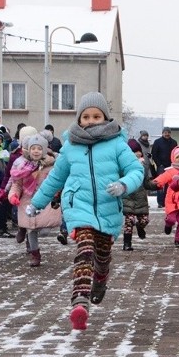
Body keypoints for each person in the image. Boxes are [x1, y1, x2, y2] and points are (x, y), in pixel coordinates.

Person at [29, 92, 145, 331]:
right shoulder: (71, 146)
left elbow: (136, 170)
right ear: (79, 119)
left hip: (108, 208)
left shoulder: (116, 143)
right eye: (86, 116)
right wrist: (37, 202)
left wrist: (123, 185)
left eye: (96, 116)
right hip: (78, 207)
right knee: (85, 250)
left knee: (102, 257)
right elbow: (55, 179)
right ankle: (79, 303)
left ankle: (100, 280)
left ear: (105, 117)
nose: (91, 120)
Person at [8, 134, 61, 266]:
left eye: (39, 148)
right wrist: (13, 195)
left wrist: (57, 193)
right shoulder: (22, 165)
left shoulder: (51, 166)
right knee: (32, 229)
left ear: (44, 150)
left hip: (45, 200)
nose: (36, 151)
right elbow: (17, 184)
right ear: (28, 150)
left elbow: (56, 182)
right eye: (33, 148)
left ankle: (24, 229)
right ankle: (35, 254)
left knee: (44, 231)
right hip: (27, 200)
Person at [121, 139, 156, 251]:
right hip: (128, 198)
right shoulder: (122, 167)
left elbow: (146, 183)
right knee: (129, 221)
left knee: (144, 220)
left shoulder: (144, 166)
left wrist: (156, 185)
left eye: (138, 151)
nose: (136, 153)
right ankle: (127, 243)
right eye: (133, 151)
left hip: (141, 199)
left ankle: (140, 227)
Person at [151, 146, 179, 242]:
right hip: (172, 200)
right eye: (177, 157)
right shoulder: (171, 171)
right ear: (173, 159)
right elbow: (163, 177)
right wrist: (155, 183)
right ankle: (168, 224)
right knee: (171, 219)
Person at [151, 127, 177, 208]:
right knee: (160, 184)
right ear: (162, 133)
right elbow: (154, 154)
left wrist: (174, 164)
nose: (167, 134)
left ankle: (167, 201)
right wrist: (159, 164)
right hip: (161, 166)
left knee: (170, 185)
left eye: (168, 132)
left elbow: (175, 154)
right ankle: (160, 202)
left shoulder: (174, 142)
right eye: (165, 132)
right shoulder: (157, 142)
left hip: (171, 166)